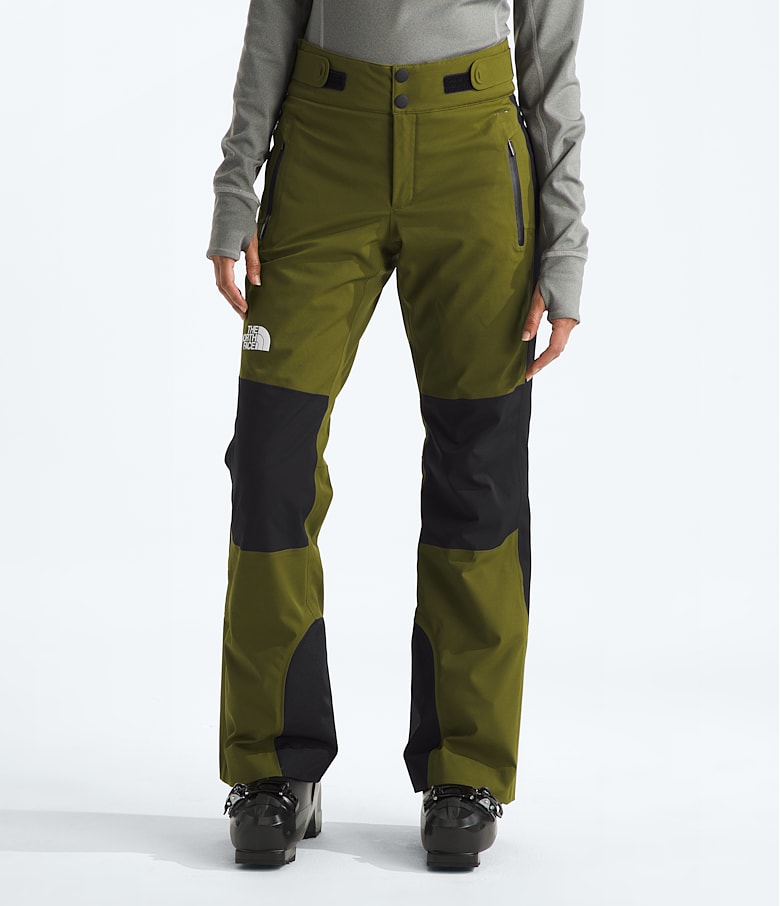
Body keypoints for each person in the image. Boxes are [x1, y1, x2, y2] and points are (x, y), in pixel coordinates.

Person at [207, 0, 588, 871]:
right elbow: (275, 16)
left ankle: (466, 768)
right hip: (322, 147)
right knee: (270, 458)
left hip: (475, 156)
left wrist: (565, 245)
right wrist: (237, 183)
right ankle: (274, 764)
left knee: (479, 471)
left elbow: (552, 61)